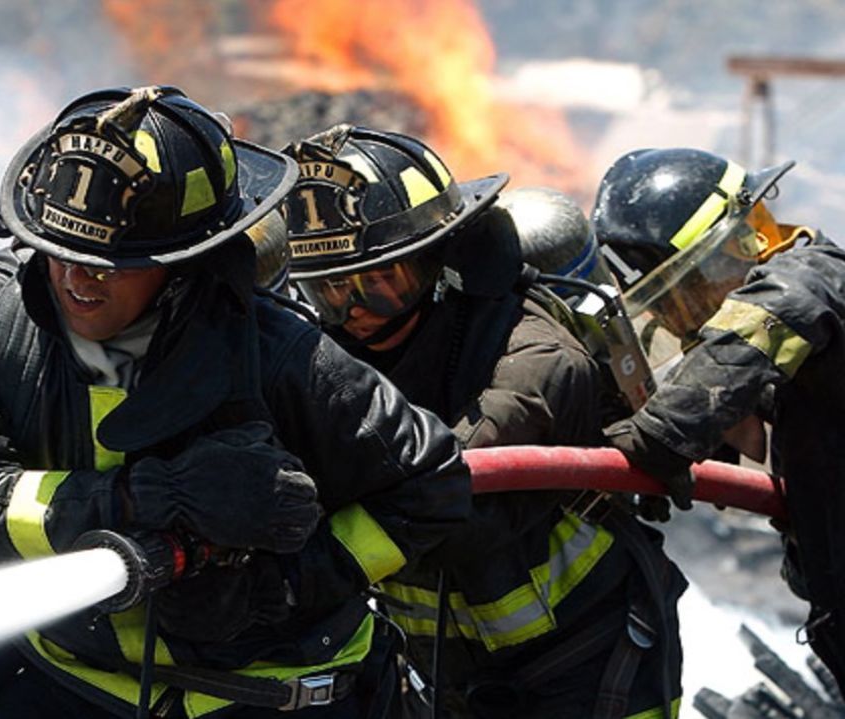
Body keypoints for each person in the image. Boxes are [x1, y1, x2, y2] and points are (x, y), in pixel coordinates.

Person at [0, 86, 472, 719]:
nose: (74, 279)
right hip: (73, 670)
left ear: (186, 264)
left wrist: (277, 590)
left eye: (111, 264)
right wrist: (139, 502)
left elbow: (430, 489)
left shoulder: (283, 355)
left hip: (264, 688)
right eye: (59, 253)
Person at [282, 124, 685, 718]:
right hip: (442, 666)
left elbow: (449, 506)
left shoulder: (533, 359)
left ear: (437, 260)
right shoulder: (327, 357)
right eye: (331, 289)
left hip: (592, 656)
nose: (355, 311)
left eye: (381, 281)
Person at [592, 146, 845, 691]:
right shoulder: (798, 356)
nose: (675, 321)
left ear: (734, 247)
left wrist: (651, 442)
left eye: (681, 296)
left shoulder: (811, 279)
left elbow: (734, 356)